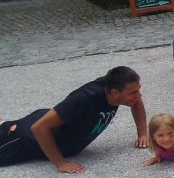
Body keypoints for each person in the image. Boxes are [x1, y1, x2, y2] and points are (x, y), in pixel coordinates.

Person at [0, 66, 146, 172]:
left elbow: (136, 101)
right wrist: (60, 163)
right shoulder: (85, 98)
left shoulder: (116, 85)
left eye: (138, 90)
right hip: (23, 138)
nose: (138, 95)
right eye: (133, 92)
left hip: (51, 123)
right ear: (115, 93)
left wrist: (143, 134)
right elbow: (38, 128)